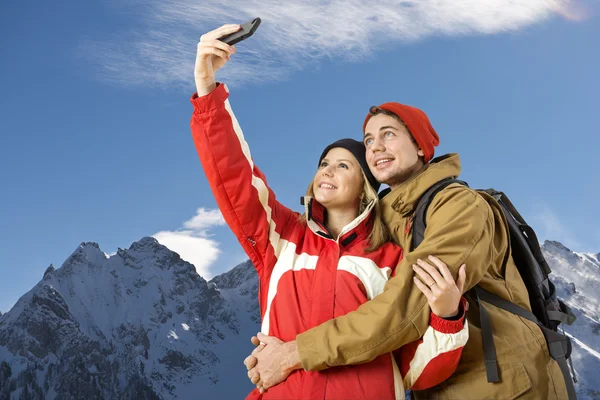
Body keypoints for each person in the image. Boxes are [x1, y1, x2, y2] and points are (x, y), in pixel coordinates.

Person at [191, 24, 470, 400]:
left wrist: (447, 317)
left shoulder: (391, 258)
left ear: (365, 185)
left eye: (343, 166)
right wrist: (208, 89)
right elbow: (234, 177)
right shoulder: (281, 238)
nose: (327, 170)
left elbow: (417, 373)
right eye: (324, 162)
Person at [244, 101, 571, 398]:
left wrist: (294, 354)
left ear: (419, 145)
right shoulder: (381, 221)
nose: (376, 147)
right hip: (440, 387)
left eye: (388, 134)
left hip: (508, 384)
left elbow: (406, 304)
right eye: (369, 141)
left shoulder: (459, 207)